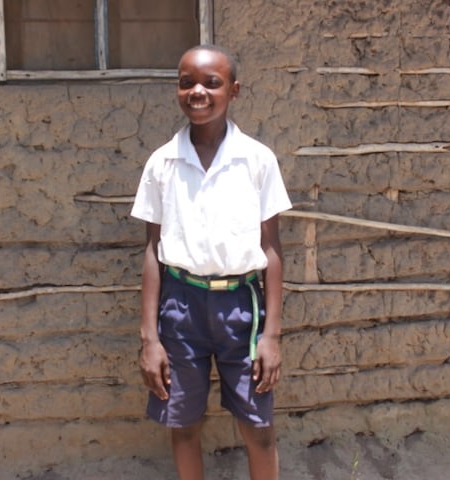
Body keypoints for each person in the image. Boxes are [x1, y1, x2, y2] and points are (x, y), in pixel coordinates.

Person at [130, 44, 292, 480]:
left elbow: (272, 248)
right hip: (180, 307)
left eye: (211, 83)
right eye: (187, 83)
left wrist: (271, 336)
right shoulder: (163, 163)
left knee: (258, 428)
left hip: (243, 309)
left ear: (234, 90)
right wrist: (150, 339)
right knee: (183, 425)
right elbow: (152, 251)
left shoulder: (257, 161)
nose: (197, 91)